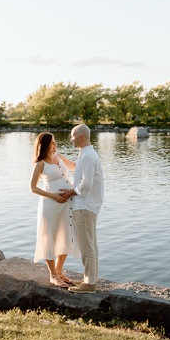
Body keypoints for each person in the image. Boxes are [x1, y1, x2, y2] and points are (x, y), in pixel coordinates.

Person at [59, 124, 104, 294]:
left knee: (87, 246)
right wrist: (61, 159)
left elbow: (86, 185)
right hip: (88, 205)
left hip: (84, 205)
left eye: (72, 136)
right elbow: (79, 173)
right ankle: (89, 278)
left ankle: (90, 284)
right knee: (91, 244)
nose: (70, 139)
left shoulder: (87, 156)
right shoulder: (87, 154)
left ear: (80, 137)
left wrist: (71, 192)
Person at [30, 132, 78, 288]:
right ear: (44, 146)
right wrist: (52, 196)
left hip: (67, 203)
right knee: (50, 236)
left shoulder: (58, 156)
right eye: (52, 143)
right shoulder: (40, 164)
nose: (55, 145)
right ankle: (52, 275)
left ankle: (59, 271)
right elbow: (33, 188)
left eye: (55, 142)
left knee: (67, 235)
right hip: (51, 204)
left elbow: (74, 167)